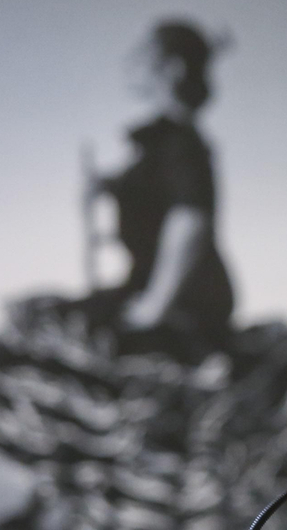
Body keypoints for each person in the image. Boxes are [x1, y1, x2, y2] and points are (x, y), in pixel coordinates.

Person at [83, 18, 235, 360]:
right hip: (157, 289)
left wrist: (154, 307)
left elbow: (191, 222)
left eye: (143, 54)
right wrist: (107, 185)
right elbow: (154, 193)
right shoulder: (162, 143)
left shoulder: (179, 143)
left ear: (172, 68)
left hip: (186, 304)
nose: (131, 63)